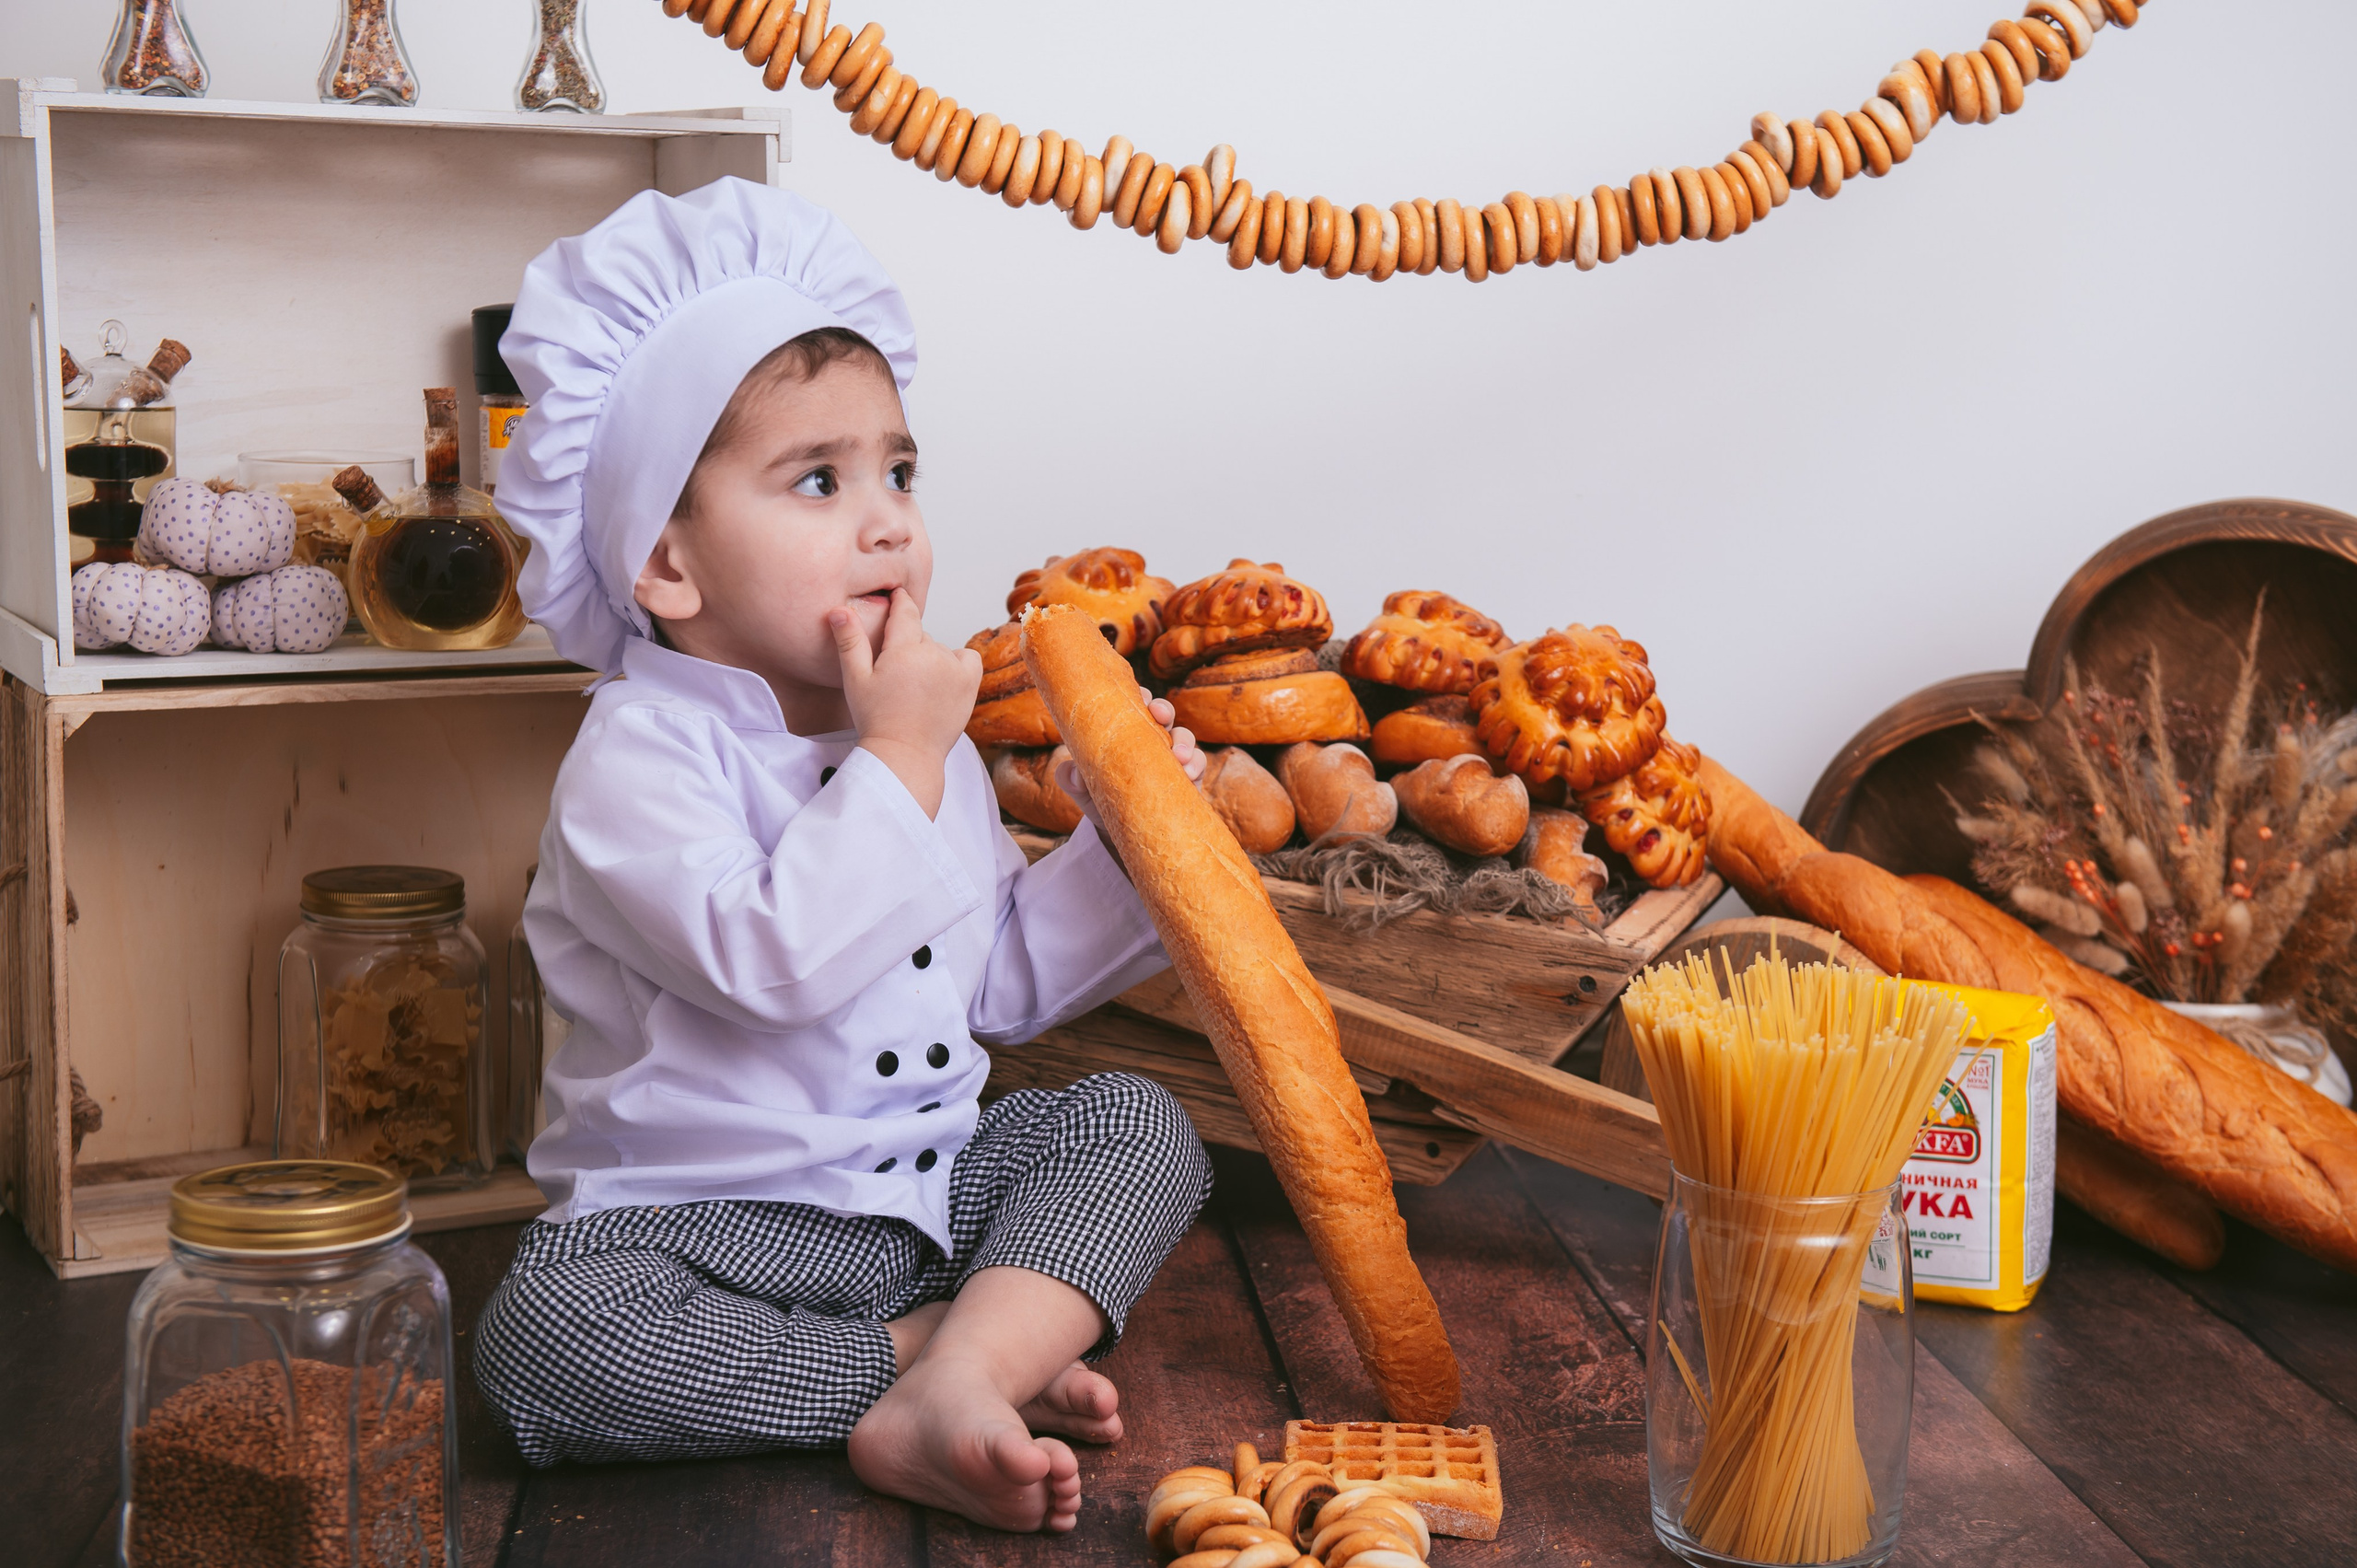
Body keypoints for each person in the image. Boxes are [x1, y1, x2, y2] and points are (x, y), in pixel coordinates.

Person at [470, 178, 1213, 1534]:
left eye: (900, 472)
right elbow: (770, 962)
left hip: (930, 1197)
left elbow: (990, 989)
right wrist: (903, 758)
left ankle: (964, 1360)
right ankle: (929, 1368)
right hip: (698, 1231)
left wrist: (1135, 842)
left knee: (1133, 1124)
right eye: (819, 480)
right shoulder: (638, 761)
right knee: (547, 1340)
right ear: (668, 568)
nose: (888, 522)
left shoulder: (909, 727)